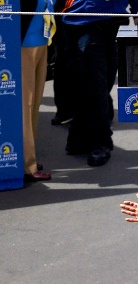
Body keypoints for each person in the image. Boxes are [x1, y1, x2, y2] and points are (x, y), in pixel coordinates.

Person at [61, 0, 138, 166]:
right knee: (94, 84)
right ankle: (100, 142)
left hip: (114, 20)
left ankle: (79, 136)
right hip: (84, 21)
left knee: (103, 81)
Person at [21, 0, 56, 182]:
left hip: (41, 41)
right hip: (23, 45)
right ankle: (27, 164)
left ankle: (30, 156)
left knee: (34, 103)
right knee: (25, 104)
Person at [50, 0, 74, 126]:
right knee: (63, 63)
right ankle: (64, 111)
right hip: (62, 15)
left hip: (88, 15)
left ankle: (101, 108)